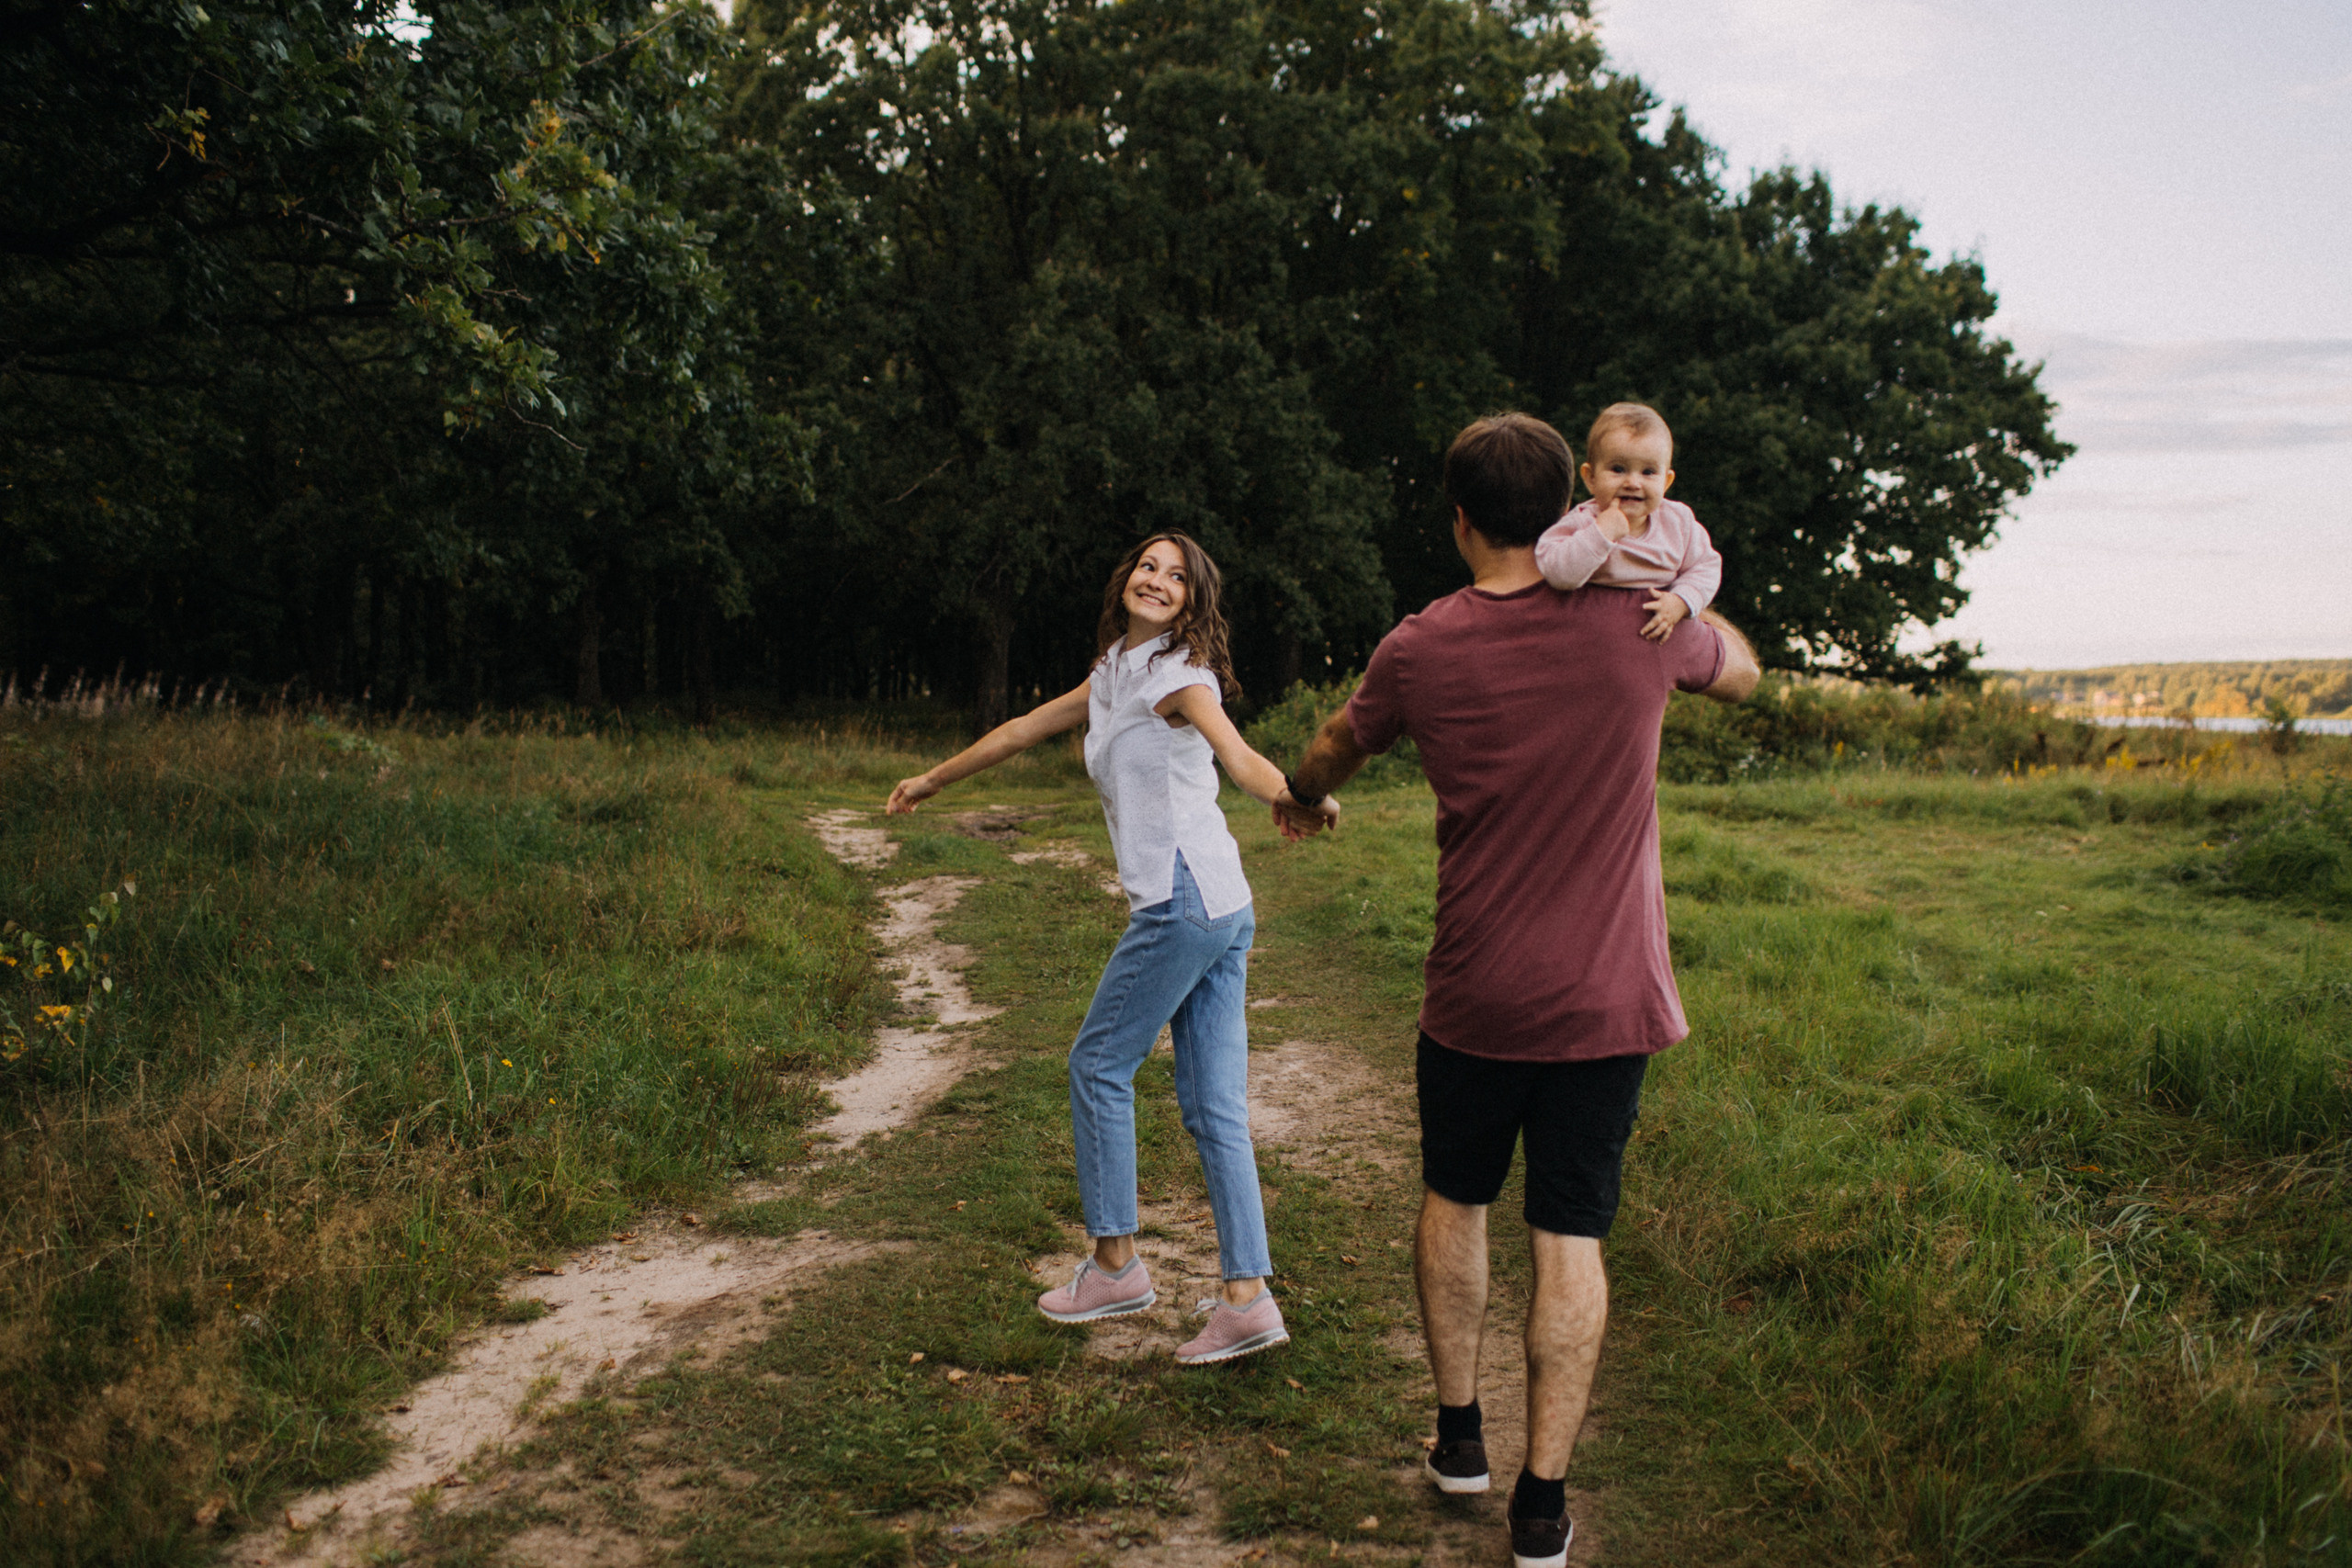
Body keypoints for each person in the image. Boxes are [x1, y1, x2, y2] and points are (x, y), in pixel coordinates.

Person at [1278, 413, 1758, 1568]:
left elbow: (1339, 744)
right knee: (1572, 1237)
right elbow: (1742, 674)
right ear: (1567, 507)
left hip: (1476, 996)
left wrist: (1301, 791)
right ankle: (1541, 1506)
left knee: (1456, 1199)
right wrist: (1675, 572)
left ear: (1456, 520)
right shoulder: (1638, 630)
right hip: (1607, 1006)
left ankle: (1458, 1441)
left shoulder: (1420, 646)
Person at [886, 533, 1334, 1366]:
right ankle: (1247, 1297)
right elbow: (1021, 728)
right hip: (1222, 902)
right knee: (1212, 1107)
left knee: (1097, 1064)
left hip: (1182, 902)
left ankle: (1116, 1266)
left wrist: (1295, 794)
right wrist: (933, 780)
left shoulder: (1176, 676)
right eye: (1148, 565)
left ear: (1194, 604)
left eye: (1177, 575)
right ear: (1125, 579)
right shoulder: (1114, 674)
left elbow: (1236, 752)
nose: (1158, 579)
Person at [1532, 402, 1722, 644]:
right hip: (1591, 639)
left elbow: (1706, 566)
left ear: (1667, 481)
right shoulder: (1584, 522)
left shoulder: (1678, 523)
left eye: (1648, 472)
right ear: (1590, 478)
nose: (1633, 482)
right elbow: (1556, 571)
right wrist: (1601, 534)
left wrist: (1682, 601)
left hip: (1654, 636)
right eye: (1618, 469)